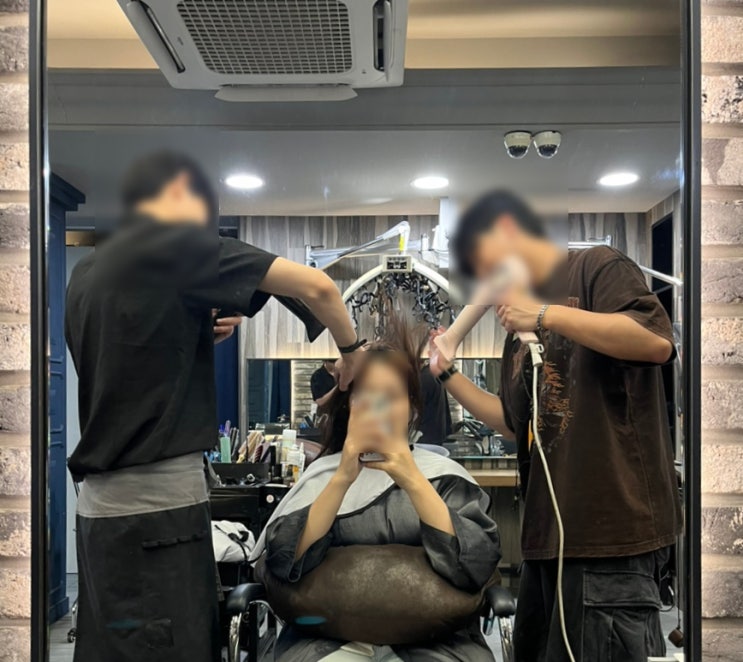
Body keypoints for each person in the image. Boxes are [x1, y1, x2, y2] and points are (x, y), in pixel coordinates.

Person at [64, 150, 366, 662]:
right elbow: (319, 288)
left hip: (97, 516)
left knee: (111, 647)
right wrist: (352, 351)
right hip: (159, 515)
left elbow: (129, 359)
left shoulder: (88, 273)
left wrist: (191, 331)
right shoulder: (179, 251)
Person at [428, 190, 682, 662]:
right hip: (547, 539)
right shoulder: (517, 328)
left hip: (610, 537)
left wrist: (545, 314)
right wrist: (447, 375)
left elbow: (655, 342)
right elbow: (513, 422)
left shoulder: (595, 267)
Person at [251, 318, 501, 662]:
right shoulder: (323, 476)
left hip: (437, 640)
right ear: (349, 406)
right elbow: (283, 562)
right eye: (366, 397)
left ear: (412, 408)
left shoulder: (444, 477)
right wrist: (343, 477)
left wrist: (411, 478)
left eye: (391, 398)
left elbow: (475, 564)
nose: (378, 409)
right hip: (326, 637)